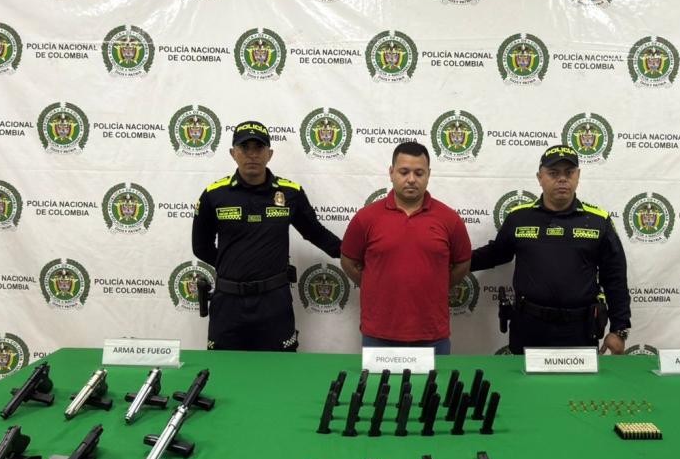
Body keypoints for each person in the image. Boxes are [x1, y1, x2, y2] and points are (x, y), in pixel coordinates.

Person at [191, 120, 341, 351]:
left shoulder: (290, 193)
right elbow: (201, 247)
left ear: (269, 154)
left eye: (259, 148)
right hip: (228, 302)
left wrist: (354, 253)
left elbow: (316, 233)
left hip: (274, 302)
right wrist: (234, 265)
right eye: (245, 148)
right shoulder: (214, 195)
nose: (252, 154)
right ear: (233, 153)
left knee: (281, 368)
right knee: (223, 368)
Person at [471, 144, 631, 355]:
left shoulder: (598, 221)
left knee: (580, 380)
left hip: (579, 330)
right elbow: (496, 254)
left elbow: (615, 277)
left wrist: (619, 329)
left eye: (569, 172)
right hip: (528, 327)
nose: (562, 179)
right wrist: (452, 261)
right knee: (523, 378)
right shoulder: (519, 217)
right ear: (540, 177)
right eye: (553, 173)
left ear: (578, 176)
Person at [340, 141, 471, 355]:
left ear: (429, 174)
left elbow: (462, 264)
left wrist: (436, 285)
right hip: (379, 335)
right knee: (378, 381)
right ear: (391, 173)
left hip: (432, 335)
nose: (411, 179)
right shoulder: (366, 218)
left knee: (436, 380)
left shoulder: (449, 219)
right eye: (404, 172)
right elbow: (348, 261)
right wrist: (375, 285)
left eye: (419, 173)